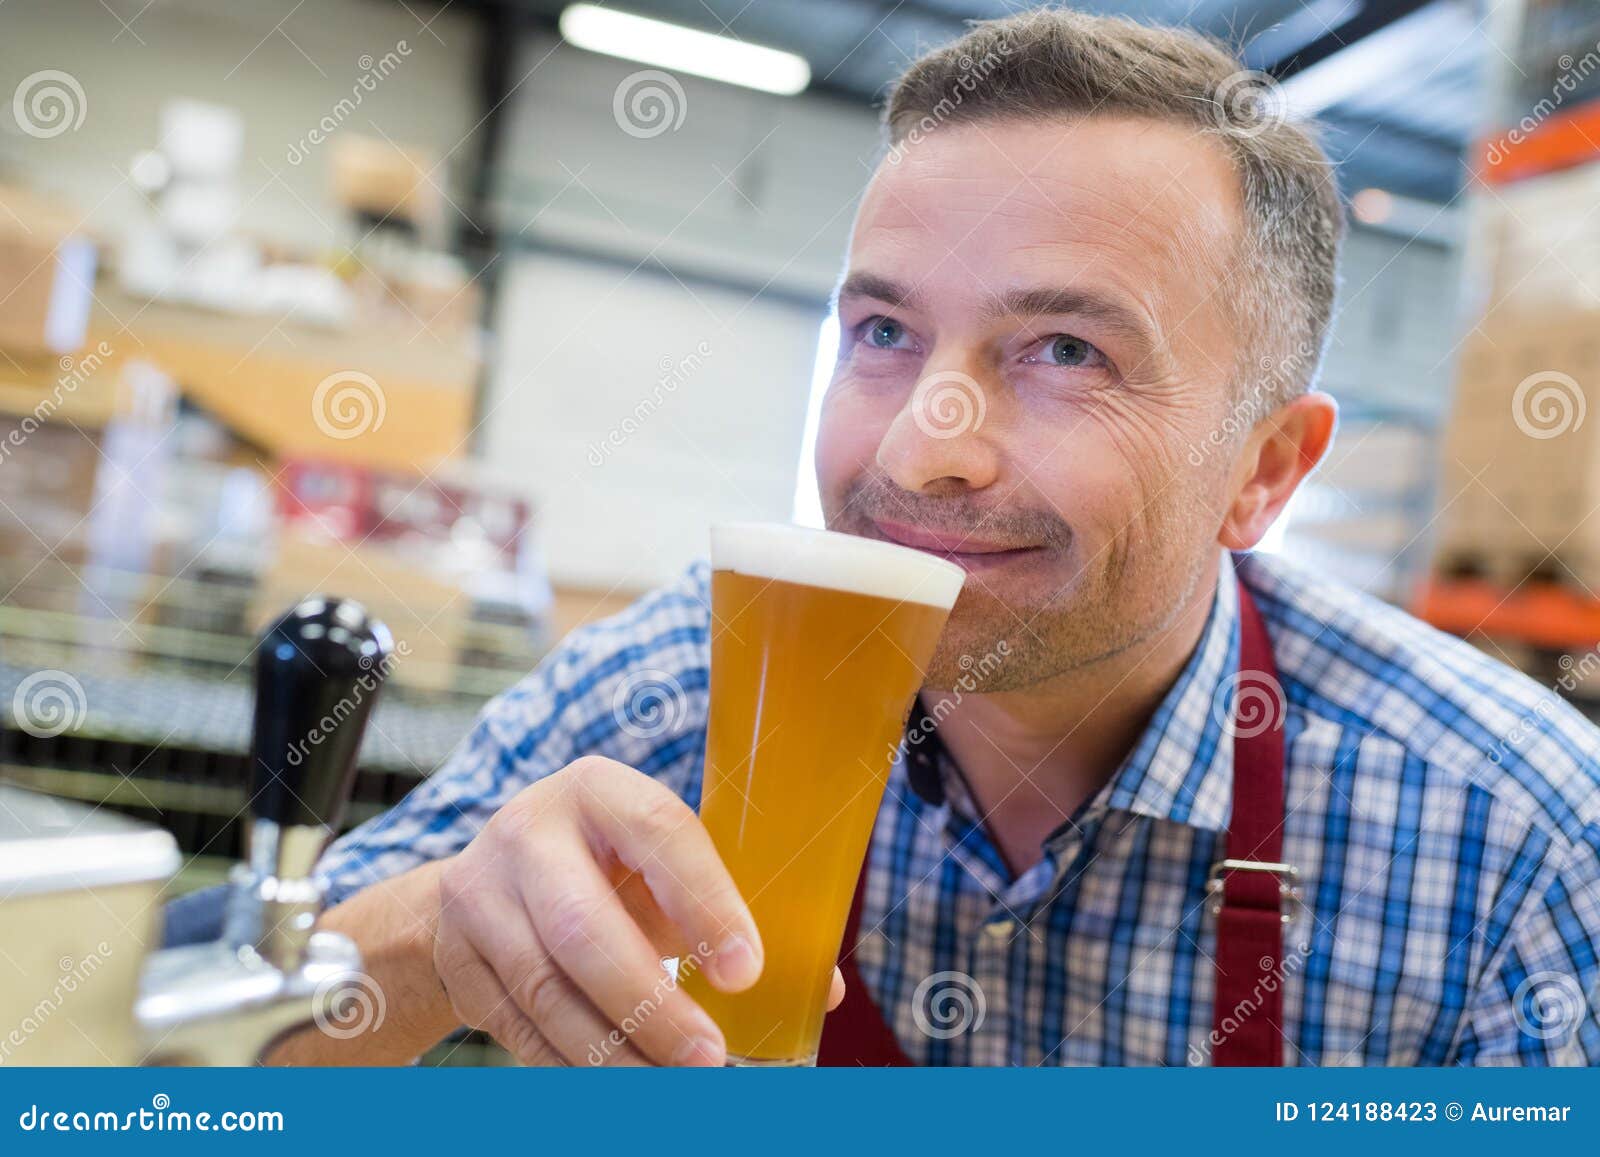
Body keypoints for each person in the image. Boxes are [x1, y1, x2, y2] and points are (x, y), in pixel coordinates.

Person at [272, 9, 1600, 1066]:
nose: (921, 445)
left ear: (1264, 471)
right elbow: (192, 1070)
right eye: (884, 334)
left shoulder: (1516, 839)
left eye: (1064, 350)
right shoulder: (691, 685)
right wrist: (432, 938)